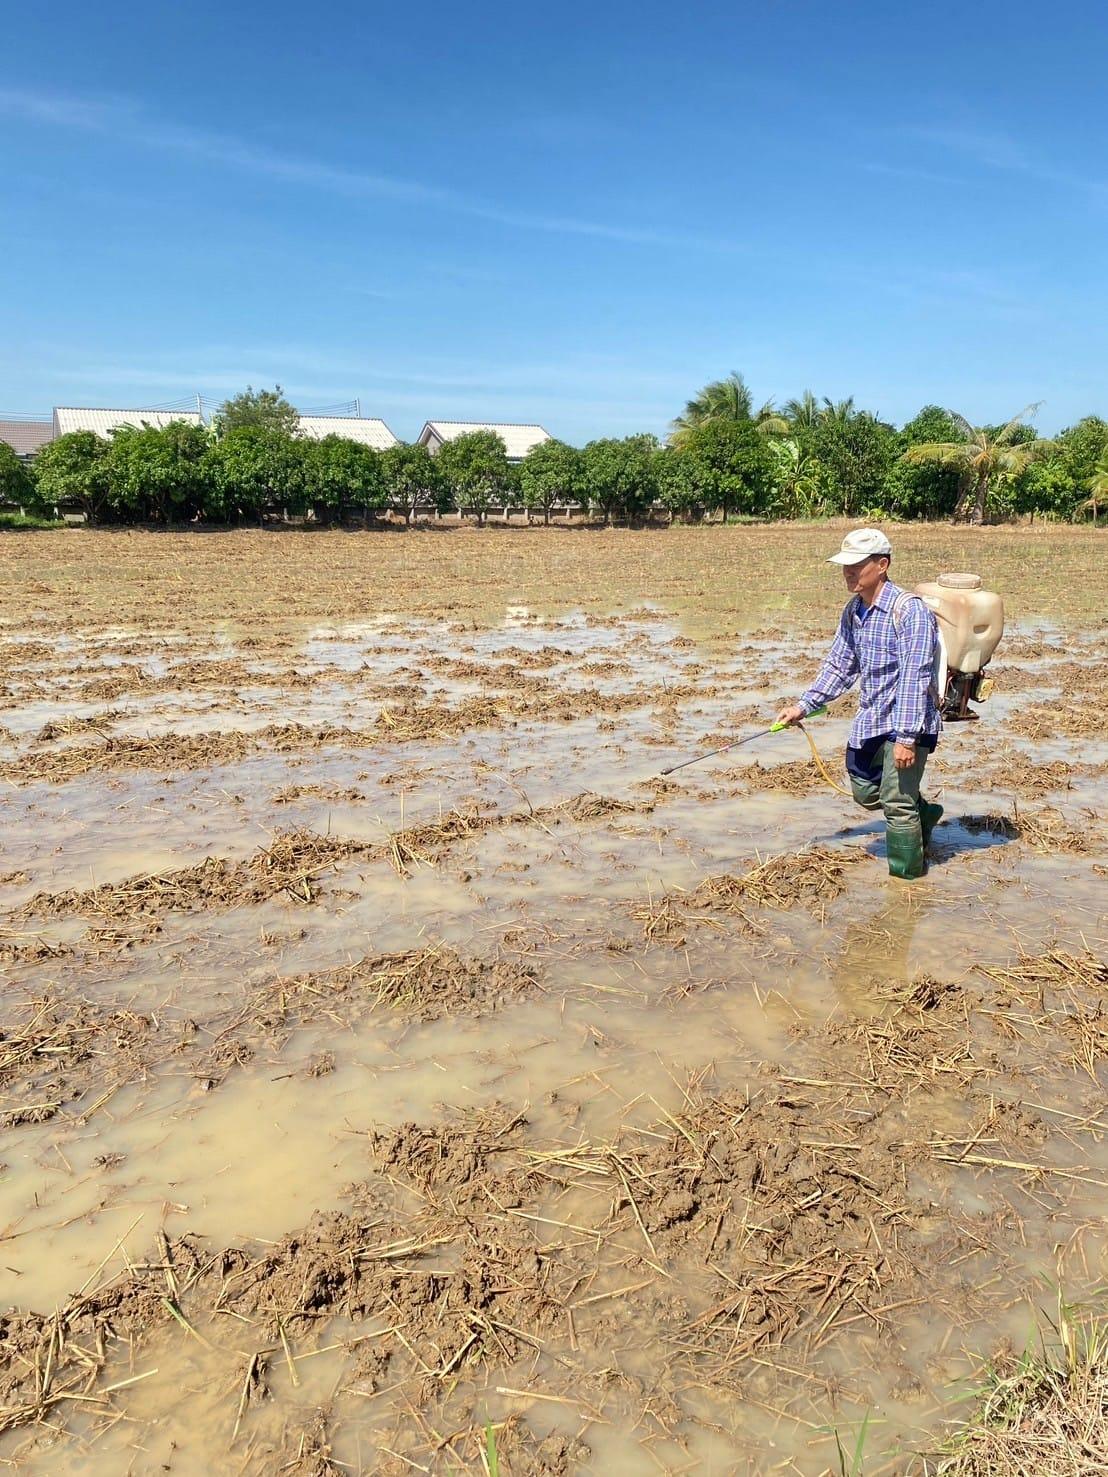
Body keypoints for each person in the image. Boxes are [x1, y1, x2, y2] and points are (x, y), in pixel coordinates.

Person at [776, 528, 943, 880]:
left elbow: (916, 674)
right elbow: (840, 664)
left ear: (882, 565)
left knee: (897, 804)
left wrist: (906, 737)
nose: (849, 573)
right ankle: (923, 814)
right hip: (872, 718)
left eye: (856, 565)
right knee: (866, 792)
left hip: (906, 722)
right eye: (845, 566)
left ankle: (906, 884)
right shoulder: (854, 610)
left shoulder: (909, 612)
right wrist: (803, 706)